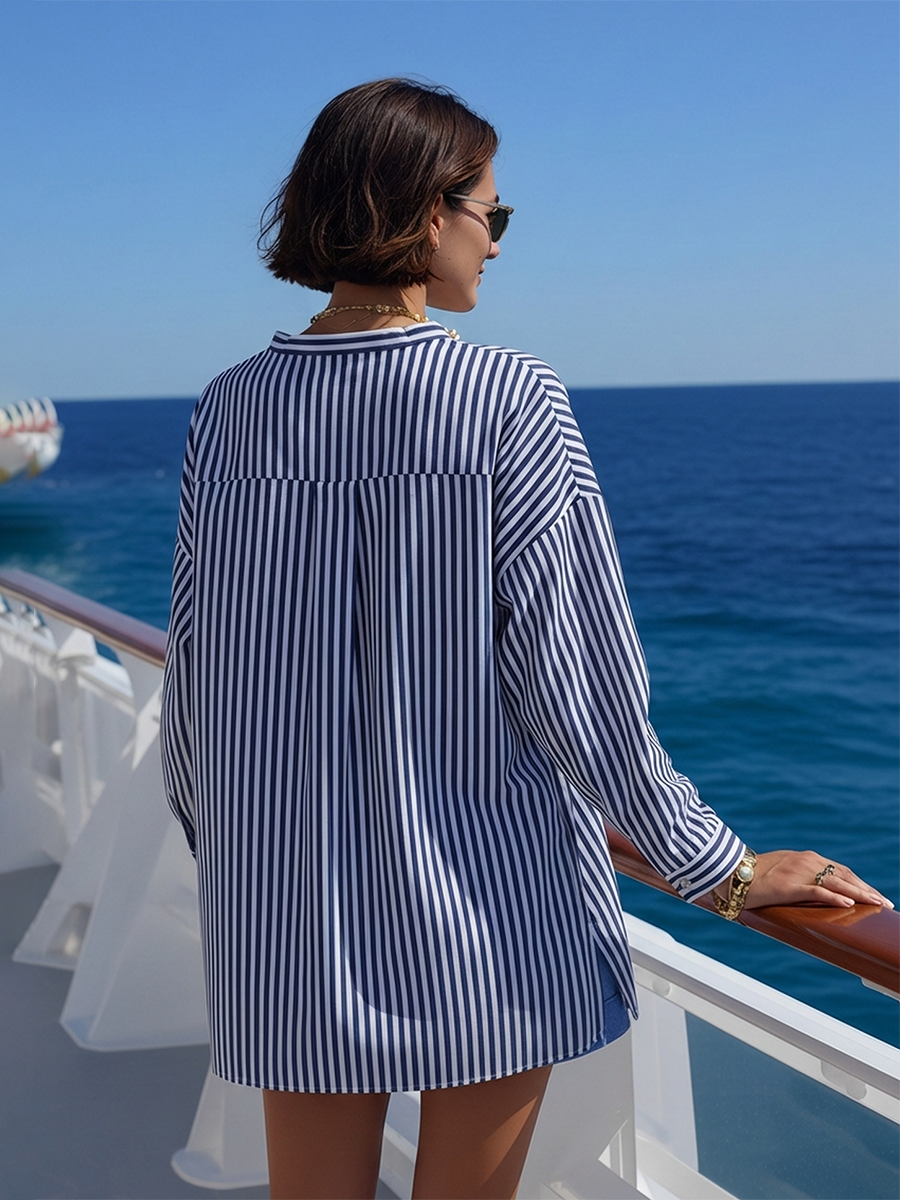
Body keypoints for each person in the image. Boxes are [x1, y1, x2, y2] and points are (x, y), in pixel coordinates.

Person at [160, 78, 891, 1200]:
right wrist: (724, 872)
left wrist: (255, 872)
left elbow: (201, 682)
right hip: (484, 909)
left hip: (286, 907)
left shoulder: (230, 407)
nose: (497, 246)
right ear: (423, 208)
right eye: (492, 214)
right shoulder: (507, 397)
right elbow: (583, 684)